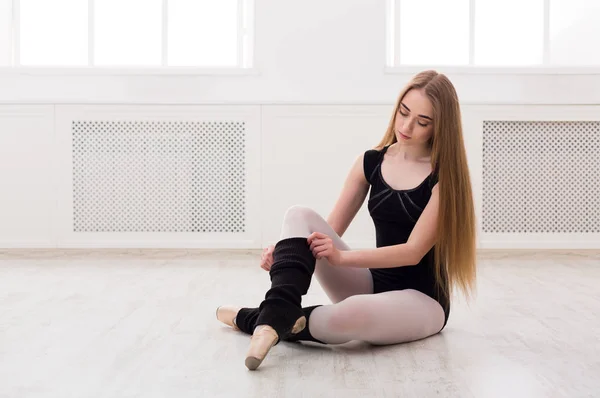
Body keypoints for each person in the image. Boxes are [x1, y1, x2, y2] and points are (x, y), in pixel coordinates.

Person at [216, 70, 477, 371]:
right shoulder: (371, 161)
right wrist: (287, 252)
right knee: (298, 215)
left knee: (351, 314)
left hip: (421, 301)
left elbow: (412, 251)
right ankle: (277, 312)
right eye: (403, 113)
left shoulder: (444, 178)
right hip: (370, 283)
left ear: (440, 127)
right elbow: (328, 231)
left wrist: (343, 258)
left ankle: (257, 319)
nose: (406, 126)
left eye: (422, 122)